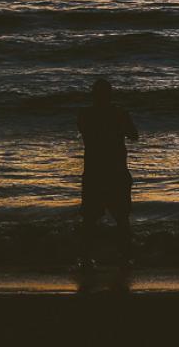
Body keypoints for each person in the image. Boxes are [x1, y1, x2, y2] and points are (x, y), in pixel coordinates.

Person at [76, 77, 139, 264]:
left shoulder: (85, 115)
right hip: (116, 171)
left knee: (89, 218)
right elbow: (134, 135)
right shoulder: (119, 114)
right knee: (121, 217)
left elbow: (86, 133)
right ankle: (125, 257)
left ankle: (86, 257)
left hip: (94, 171)